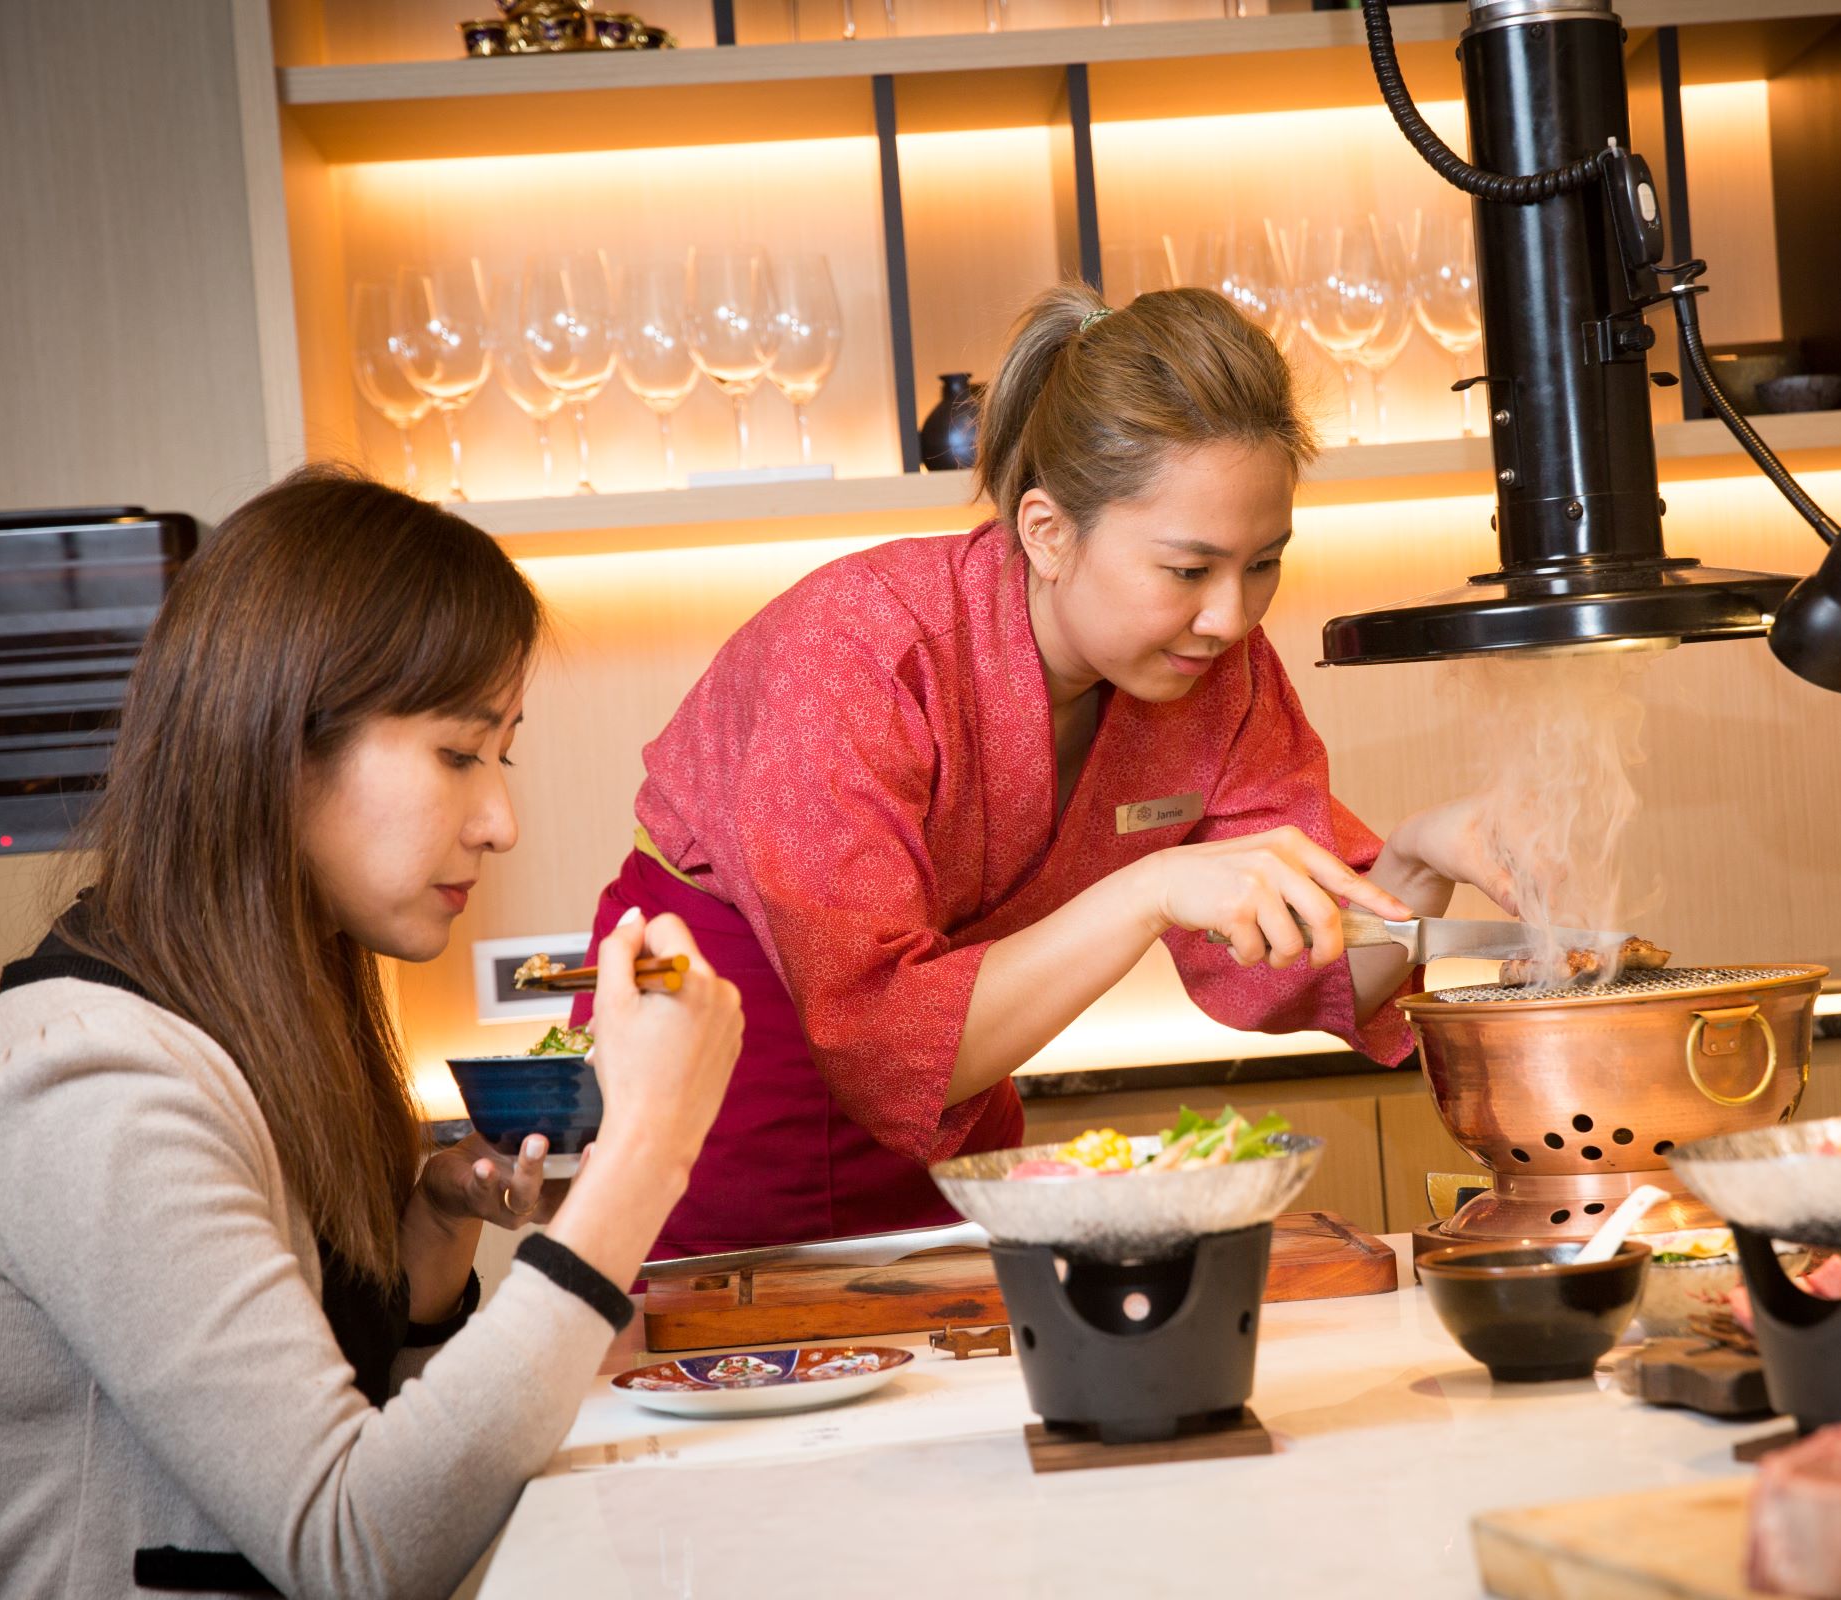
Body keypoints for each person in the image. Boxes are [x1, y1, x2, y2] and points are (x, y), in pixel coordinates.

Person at [573, 284, 1517, 1258]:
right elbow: (888, 1043)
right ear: (1047, 531)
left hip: (964, 1097)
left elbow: (1284, 968)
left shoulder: (1214, 669)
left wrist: (1410, 864)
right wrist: (1148, 891)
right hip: (721, 1076)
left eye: (1263, 563)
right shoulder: (860, 648)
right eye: (1188, 571)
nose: (1232, 616)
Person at [0, 468, 745, 1597]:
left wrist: (425, 1246)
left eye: (500, 757)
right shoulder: (86, 1077)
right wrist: (645, 1151)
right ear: (281, 741)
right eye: (461, 754)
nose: (500, 819)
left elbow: (350, 1428)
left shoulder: (255, 1023)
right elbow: (354, 1546)